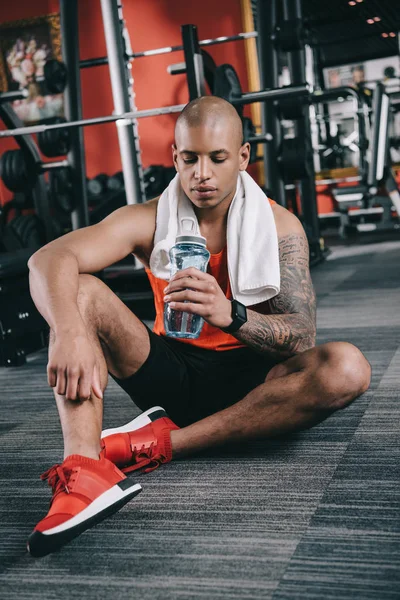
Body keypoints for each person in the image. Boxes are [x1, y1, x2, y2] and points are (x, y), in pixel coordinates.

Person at [27, 96, 371, 557]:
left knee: (347, 367)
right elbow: (48, 258)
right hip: (169, 371)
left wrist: (230, 313)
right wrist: (68, 330)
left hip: (255, 386)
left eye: (217, 158)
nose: (201, 173)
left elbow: (302, 336)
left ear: (244, 157)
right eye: (189, 158)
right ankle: (85, 470)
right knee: (79, 291)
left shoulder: (279, 226)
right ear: (174, 157)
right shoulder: (147, 219)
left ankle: (161, 443)